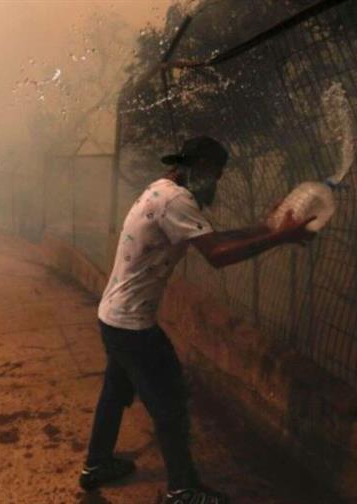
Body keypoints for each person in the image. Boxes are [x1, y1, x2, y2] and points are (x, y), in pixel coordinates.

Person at [80, 136, 315, 504]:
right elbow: (218, 254)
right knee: (171, 400)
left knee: (115, 393)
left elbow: (213, 238)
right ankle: (183, 489)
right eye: (216, 174)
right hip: (132, 324)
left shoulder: (162, 191)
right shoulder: (176, 200)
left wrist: (269, 228)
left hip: (113, 317)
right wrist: (280, 237)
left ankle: (97, 465)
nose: (216, 183)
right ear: (200, 166)